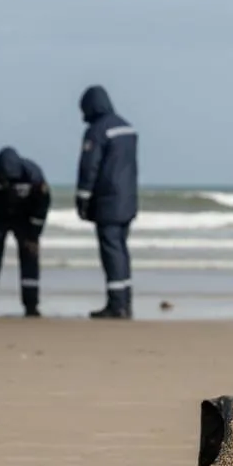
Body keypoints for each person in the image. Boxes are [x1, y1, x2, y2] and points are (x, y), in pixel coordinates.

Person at [76, 85, 139, 319]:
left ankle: (116, 305)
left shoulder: (97, 131)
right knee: (121, 251)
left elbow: (89, 167)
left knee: (110, 252)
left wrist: (82, 199)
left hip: (107, 202)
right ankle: (125, 302)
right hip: (128, 199)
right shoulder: (127, 128)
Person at [0, 146, 51, 318]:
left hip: (24, 218)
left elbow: (42, 205)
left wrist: (34, 235)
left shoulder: (33, 174)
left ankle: (31, 307)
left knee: (30, 256)